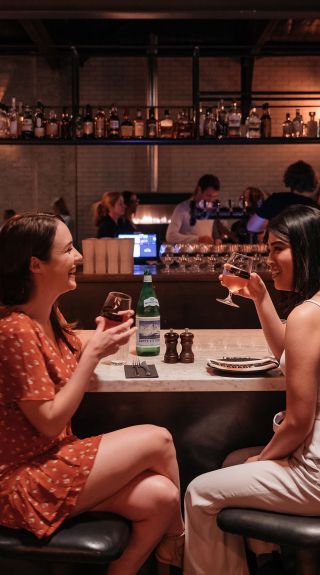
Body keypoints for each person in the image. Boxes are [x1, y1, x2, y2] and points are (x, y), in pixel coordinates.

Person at [0, 213, 184, 575]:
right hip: (21, 480)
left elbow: (68, 366)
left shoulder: (47, 316)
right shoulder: (14, 330)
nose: (78, 257)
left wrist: (101, 340)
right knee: (159, 440)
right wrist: (93, 356)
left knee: (162, 496)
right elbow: (50, 422)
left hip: (53, 459)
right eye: (68, 249)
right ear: (35, 264)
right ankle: (180, 541)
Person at [184, 204, 320, 575]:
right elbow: (290, 355)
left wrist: (264, 459)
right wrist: (261, 298)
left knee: (199, 493)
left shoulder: (309, 314)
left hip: (316, 474)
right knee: (232, 461)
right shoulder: (313, 309)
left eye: (278, 248)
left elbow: (298, 422)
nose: (268, 258)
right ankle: (266, 562)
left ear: (307, 249)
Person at [247, 160, 319, 236]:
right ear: (313, 181)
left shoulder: (277, 200)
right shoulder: (314, 207)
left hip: (281, 245)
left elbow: (252, 227)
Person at [166, 174, 235, 244]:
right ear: (199, 190)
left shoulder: (211, 207)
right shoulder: (182, 208)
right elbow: (170, 236)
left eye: (215, 196)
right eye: (208, 196)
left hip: (207, 252)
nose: (211, 200)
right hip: (187, 253)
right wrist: (198, 239)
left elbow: (215, 228)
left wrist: (217, 239)